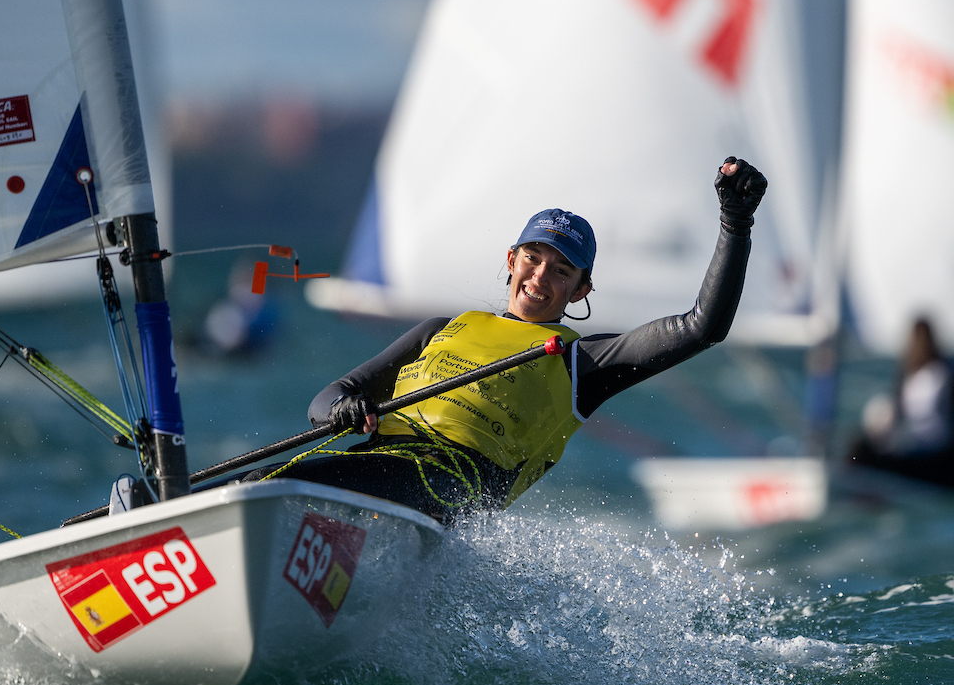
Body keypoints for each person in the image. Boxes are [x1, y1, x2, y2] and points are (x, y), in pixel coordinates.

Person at [244, 157, 767, 523]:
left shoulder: (582, 361)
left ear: (581, 289)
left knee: (279, 491)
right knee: (254, 486)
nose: (541, 277)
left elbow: (701, 327)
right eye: (533, 259)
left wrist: (734, 223)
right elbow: (330, 396)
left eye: (561, 270)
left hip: (453, 487)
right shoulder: (441, 329)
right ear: (511, 260)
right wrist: (343, 409)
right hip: (376, 462)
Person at [850, 317, 954, 486]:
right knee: (860, 447)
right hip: (913, 447)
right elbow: (898, 414)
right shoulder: (910, 375)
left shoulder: (941, 375)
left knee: (863, 451)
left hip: (937, 453)